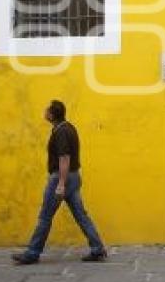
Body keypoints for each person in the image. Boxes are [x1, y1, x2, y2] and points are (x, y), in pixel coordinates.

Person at [12, 100, 107, 264]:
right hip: (74, 176)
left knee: (45, 216)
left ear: (52, 114)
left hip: (61, 178)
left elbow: (64, 158)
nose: (44, 113)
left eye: (46, 110)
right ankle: (97, 248)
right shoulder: (68, 127)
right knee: (81, 216)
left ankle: (32, 252)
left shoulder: (61, 132)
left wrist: (61, 184)